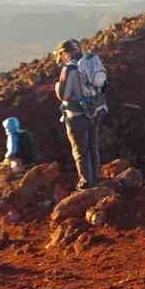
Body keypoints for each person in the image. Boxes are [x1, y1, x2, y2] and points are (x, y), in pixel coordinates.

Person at [55, 39, 107, 190]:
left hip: (76, 116)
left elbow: (64, 95)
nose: (62, 57)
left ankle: (86, 183)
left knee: (80, 150)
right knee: (93, 147)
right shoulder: (89, 64)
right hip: (94, 112)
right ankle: (95, 179)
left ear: (66, 53)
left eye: (62, 53)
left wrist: (57, 86)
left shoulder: (69, 69)